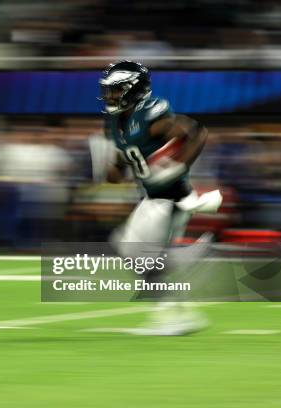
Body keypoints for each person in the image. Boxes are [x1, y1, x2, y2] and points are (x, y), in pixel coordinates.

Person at [99, 60, 220, 335]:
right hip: (152, 198)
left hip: (169, 197)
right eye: (109, 91)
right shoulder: (116, 121)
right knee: (128, 249)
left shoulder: (150, 115)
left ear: (134, 90)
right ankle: (179, 308)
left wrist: (179, 166)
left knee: (137, 255)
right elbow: (127, 154)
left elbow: (196, 133)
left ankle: (171, 312)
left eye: (116, 91)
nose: (110, 97)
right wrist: (115, 171)